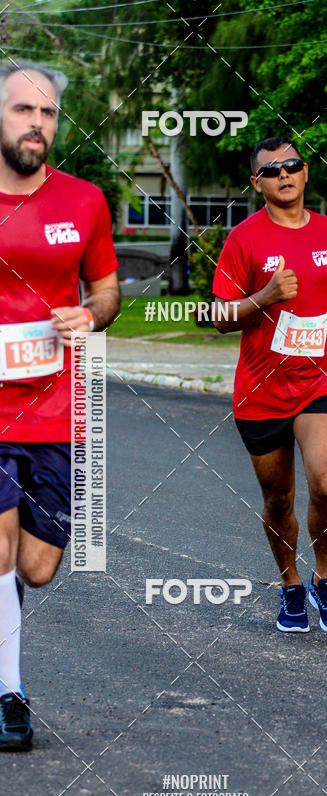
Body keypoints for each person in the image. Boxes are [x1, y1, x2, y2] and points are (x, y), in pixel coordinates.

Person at [0, 59, 120, 751]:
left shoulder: (84, 201)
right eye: (24, 109)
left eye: (47, 112)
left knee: (37, 567)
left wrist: (91, 314)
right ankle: (10, 695)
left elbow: (106, 289)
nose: (37, 123)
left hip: (56, 408)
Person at [212, 136, 327, 634]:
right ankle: (291, 584)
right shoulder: (243, 240)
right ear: (257, 184)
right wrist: (266, 295)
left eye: (292, 165)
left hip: (321, 378)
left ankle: (324, 578)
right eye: (272, 170)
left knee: (326, 485)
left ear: (305, 172)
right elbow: (218, 317)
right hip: (261, 390)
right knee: (278, 499)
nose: (284, 174)